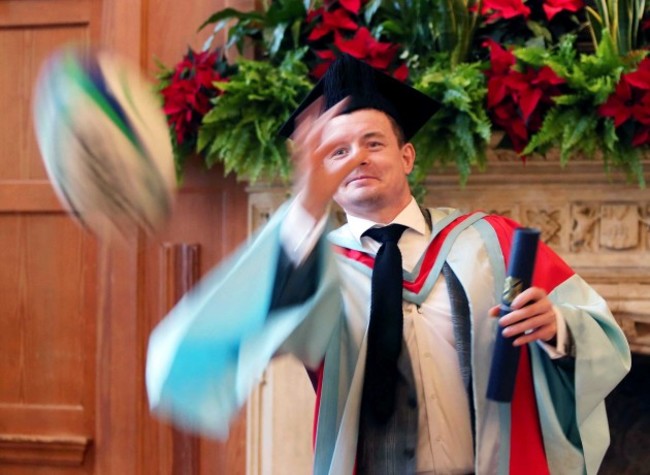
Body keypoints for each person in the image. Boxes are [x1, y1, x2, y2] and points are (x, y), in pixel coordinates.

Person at [146, 55, 631, 475]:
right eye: (337, 153)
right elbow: (223, 336)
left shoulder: (490, 240)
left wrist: (556, 327)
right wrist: (303, 211)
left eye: (373, 143)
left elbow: (602, 336)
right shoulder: (312, 265)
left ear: (407, 155)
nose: (356, 158)